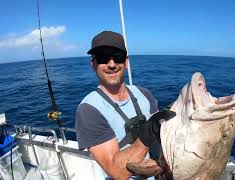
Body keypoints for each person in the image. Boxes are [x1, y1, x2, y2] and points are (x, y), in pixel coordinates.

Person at [75, 30, 175, 179]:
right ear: (93, 64)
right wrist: (148, 132)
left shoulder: (144, 93)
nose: (112, 64)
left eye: (118, 57)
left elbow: (163, 135)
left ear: (126, 62)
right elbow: (117, 172)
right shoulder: (89, 110)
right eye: (103, 58)